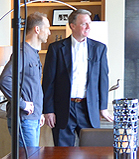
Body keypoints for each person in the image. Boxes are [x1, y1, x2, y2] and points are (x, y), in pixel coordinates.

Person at [42, 9, 112, 146]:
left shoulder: (99, 48)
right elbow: (48, 81)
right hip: (63, 108)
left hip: (89, 108)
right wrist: (48, 110)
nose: (88, 27)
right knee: (63, 153)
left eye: (89, 24)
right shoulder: (56, 48)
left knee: (92, 152)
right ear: (72, 26)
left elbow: (103, 80)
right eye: (84, 24)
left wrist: (103, 107)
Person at [0, 11, 50, 147]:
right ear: (37, 29)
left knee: (32, 158)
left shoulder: (33, 53)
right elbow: (4, 80)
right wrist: (22, 104)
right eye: (47, 28)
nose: (49, 32)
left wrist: (39, 113)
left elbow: (33, 87)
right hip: (24, 119)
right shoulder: (22, 52)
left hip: (32, 118)